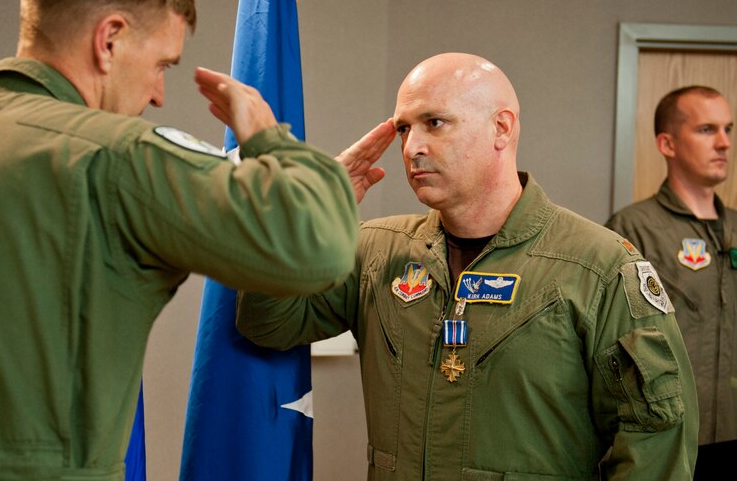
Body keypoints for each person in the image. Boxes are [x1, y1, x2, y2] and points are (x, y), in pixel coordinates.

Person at [0, 0, 360, 479]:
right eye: (163, 63)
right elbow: (321, 247)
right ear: (110, 39)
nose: (159, 94)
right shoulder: (115, 159)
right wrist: (268, 137)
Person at [237, 52, 700, 479]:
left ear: (501, 128)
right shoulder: (377, 251)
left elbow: (655, 443)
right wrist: (301, 223)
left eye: (434, 123)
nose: (412, 147)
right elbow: (267, 325)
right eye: (403, 129)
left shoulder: (597, 266)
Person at [606, 85, 737, 477]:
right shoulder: (633, 228)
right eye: (706, 130)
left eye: (729, 129)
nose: (724, 143)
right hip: (671, 436)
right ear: (667, 143)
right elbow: (614, 342)